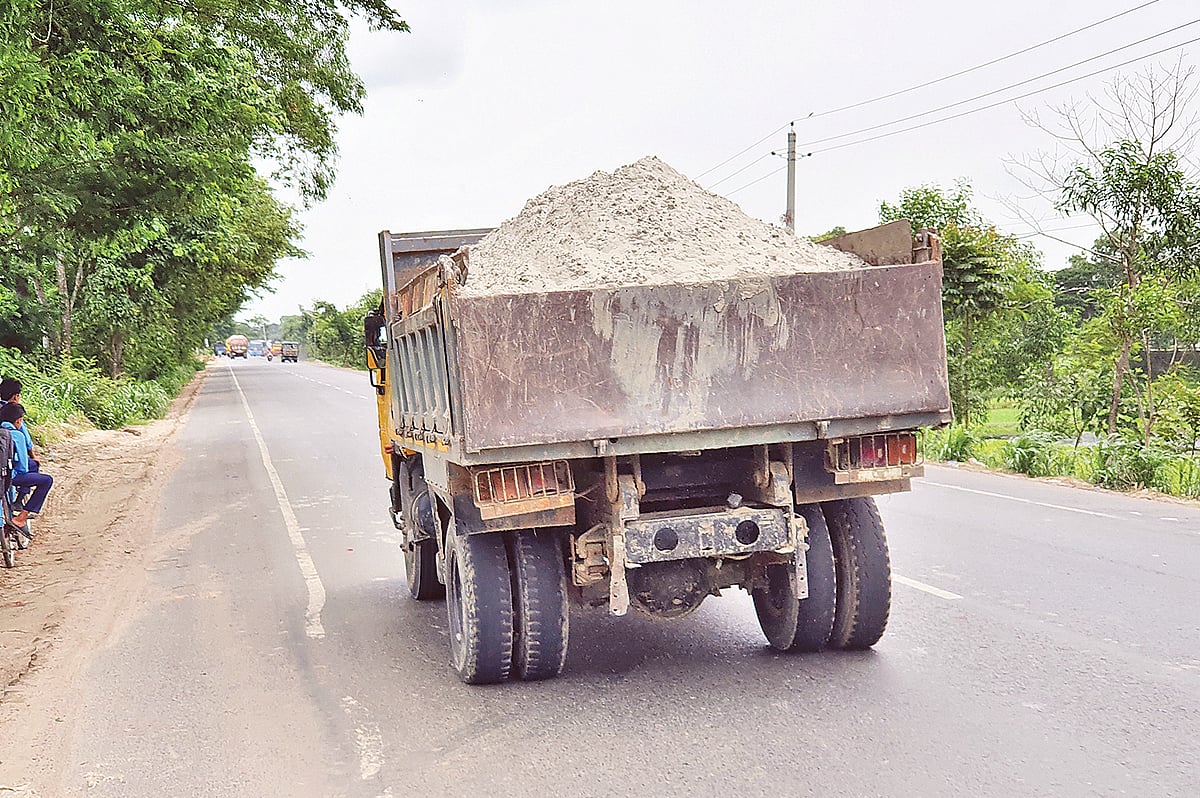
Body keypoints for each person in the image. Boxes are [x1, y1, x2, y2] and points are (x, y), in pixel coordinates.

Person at [0, 403, 52, 528]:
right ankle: (21, 516)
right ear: (18, 421)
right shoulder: (17, 435)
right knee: (47, 480)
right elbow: (23, 467)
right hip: (9, 477)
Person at [0, 378, 38, 505]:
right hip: (10, 465)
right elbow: (26, 440)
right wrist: (33, 456)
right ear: (16, 396)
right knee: (33, 466)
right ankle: (20, 500)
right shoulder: (15, 413)